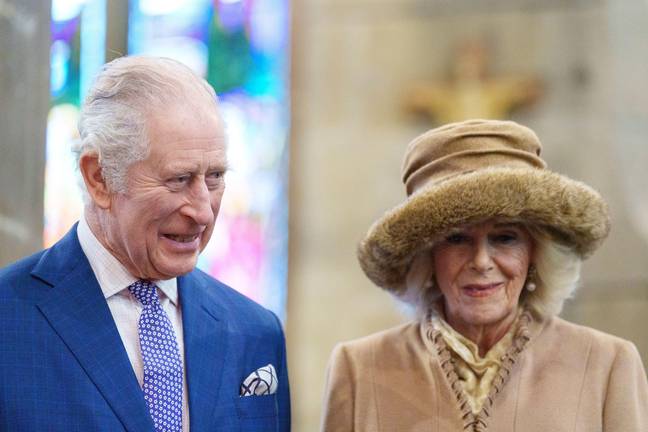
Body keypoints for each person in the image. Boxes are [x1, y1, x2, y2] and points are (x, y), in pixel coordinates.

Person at [0, 56, 290, 432]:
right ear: (99, 178)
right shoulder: (9, 320)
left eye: (215, 176)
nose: (203, 212)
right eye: (179, 179)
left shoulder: (255, 332)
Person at [321, 119, 648, 432]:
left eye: (505, 238)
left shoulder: (608, 365)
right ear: (426, 257)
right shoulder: (359, 368)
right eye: (456, 239)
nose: (481, 261)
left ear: (536, 253)